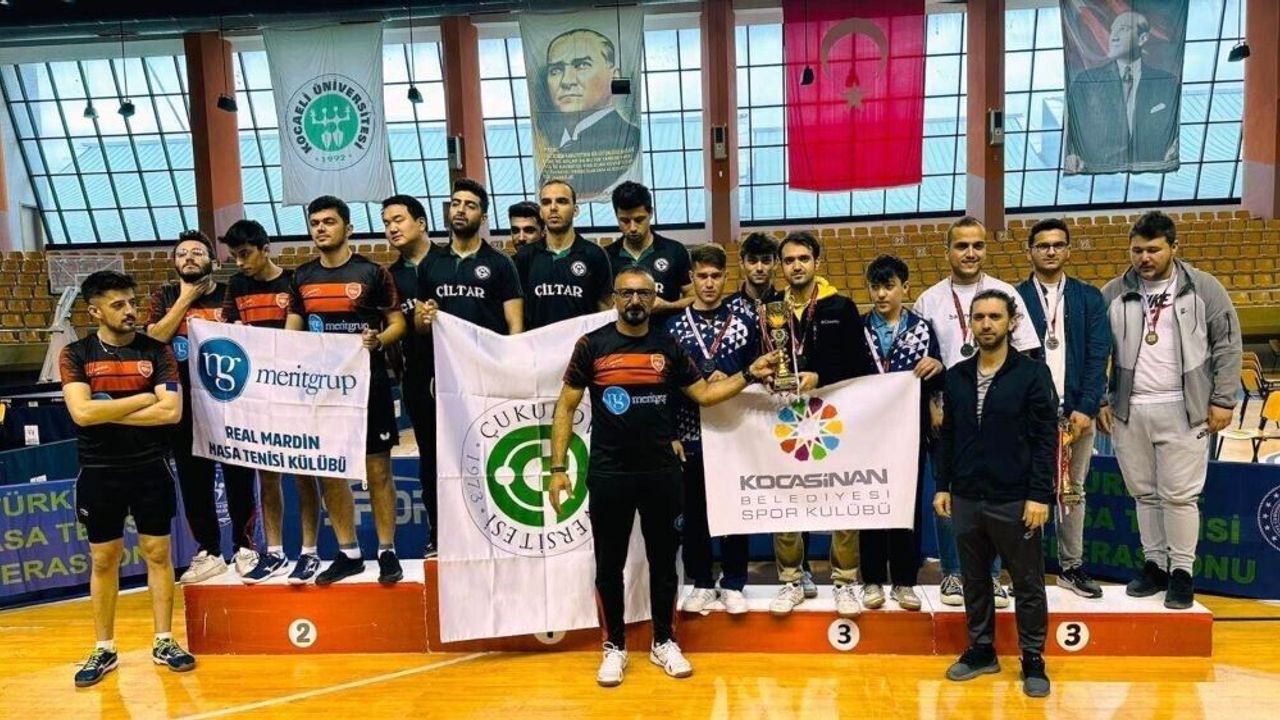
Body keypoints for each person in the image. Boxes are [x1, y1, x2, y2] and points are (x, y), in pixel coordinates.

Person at [546, 266, 780, 687]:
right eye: (626, 293)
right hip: (609, 473)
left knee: (664, 565)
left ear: (654, 299)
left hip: (662, 473)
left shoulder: (669, 346)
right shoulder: (591, 345)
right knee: (609, 566)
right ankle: (614, 646)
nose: (635, 300)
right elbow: (565, 406)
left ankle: (664, 641)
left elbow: (704, 394)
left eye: (643, 293)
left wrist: (749, 373)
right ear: (615, 298)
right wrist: (558, 468)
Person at [1098, 211, 1241, 609]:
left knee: (1180, 496)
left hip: (1185, 408)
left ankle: (1182, 573)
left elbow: (1228, 343)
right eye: (1137, 250)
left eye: (1153, 250)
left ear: (1175, 247)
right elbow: (1096, 352)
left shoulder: (1204, 287)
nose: (1144, 258)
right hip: (1130, 409)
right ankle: (1155, 566)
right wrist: (1099, 400)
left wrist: (1223, 398)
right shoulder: (1113, 292)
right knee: (1144, 494)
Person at [61, 270, 194, 687]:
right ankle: (104, 648)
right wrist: (142, 397)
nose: (130, 311)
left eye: (132, 302)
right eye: (118, 304)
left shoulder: (158, 351)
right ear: (95, 311)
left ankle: (164, 640)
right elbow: (82, 413)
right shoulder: (76, 353)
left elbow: (170, 412)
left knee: (158, 553)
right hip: (99, 471)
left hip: (151, 466)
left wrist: (108, 409)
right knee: (104, 559)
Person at [913, 216, 1041, 607]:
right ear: (947, 251)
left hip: (1000, 415)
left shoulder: (1006, 293)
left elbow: (1029, 354)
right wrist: (933, 404)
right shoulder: (929, 300)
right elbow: (923, 361)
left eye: (978, 245)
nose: (970, 253)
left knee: (996, 495)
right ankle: (953, 574)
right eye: (962, 246)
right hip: (949, 414)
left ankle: (992, 576)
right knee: (948, 493)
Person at [935, 289, 1057, 699]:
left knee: (1027, 582)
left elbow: (1045, 439)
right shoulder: (957, 375)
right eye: (979, 317)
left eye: (995, 317)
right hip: (967, 495)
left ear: (1012, 322)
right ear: (971, 323)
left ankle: (1033, 657)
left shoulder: (1032, 374)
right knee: (974, 579)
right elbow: (948, 436)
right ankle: (982, 649)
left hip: (1016, 498)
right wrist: (942, 485)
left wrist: (1040, 495)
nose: (986, 324)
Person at [286, 195, 406, 584]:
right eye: (315, 223)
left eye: (329, 222)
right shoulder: (301, 277)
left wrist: (379, 340)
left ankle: (387, 550)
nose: (320, 228)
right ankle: (349, 552)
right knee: (331, 470)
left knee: (378, 469)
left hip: (369, 385)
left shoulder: (373, 273)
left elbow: (397, 323)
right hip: (323, 391)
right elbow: (292, 332)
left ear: (348, 229)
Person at [767, 231, 875, 619]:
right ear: (781, 266)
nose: (796, 266)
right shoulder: (770, 309)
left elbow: (860, 365)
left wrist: (821, 376)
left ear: (817, 261)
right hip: (787, 419)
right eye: (789, 260)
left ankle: (845, 581)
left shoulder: (841, 307)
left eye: (803, 258)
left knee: (842, 499)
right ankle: (792, 579)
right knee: (787, 499)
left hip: (833, 420)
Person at [414, 179, 524, 552]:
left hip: (486, 379)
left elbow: (515, 326)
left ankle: (494, 532)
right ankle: (440, 535)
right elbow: (419, 324)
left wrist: (508, 371)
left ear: (483, 216)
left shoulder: (500, 264)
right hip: (444, 380)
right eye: (456, 203)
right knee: (440, 457)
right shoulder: (432, 264)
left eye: (470, 204)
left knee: (488, 454)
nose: (460, 209)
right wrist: (424, 317)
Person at [145, 230, 257, 584]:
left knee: (240, 480)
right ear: (174, 263)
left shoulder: (231, 293)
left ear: (214, 262)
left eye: (197, 252)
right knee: (195, 484)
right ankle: (209, 551)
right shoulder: (164, 297)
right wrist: (185, 300)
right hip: (184, 407)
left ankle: (245, 547)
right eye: (182, 254)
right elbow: (153, 339)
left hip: (230, 404)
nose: (189, 257)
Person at [219, 219, 324, 584]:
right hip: (258, 397)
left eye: (245, 254)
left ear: (266, 249)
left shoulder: (293, 282)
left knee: (304, 473)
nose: (240, 262)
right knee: (267, 477)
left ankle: (310, 552)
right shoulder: (236, 285)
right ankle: (275, 553)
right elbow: (229, 333)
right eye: (235, 256)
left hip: (296, 392)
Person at [1014, 218, 1111, 599]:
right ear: (1029, 252)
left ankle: (1071, 567)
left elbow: (1098, 356)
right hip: (1029, 416)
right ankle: (1028, 570)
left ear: (1068, 250)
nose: (1050, 251)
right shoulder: (1015, 297)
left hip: (1076, 414)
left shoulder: (1089, 298)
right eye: (1042, 245)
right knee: (1028, 490)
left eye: (1057, 244)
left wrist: (1087, 407)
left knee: (1073, 491)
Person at [665, 245, 759, 615]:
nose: (708, 283)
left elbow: (759, 376)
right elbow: (665, 385)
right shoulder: (673, 327)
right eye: (702, 276)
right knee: (695, 512)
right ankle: (702, 581)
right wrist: (671, 432)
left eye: (716, 276)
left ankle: (734, 582)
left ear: (726, 277)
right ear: (691, 278)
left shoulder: (744, 323)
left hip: (733, 431)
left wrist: (732, 378)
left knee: (735, 508)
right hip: (689, 431)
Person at [858, 255, 944, 612]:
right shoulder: (858, 328)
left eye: (889, 286)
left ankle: (905, 581)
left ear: (905, 288)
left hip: (910, 431)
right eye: (875, 287)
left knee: (906, 506)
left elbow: (937, 372)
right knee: (870, 504)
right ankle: (872, 579)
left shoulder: (923, 328)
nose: (881, 294)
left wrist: (937, 366)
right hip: (866, 433)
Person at [381, 195, 436, 557]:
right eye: (387, 223)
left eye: (398, 220)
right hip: (417, 379)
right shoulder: (389, 277)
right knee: (430, 457)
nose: (392, 228)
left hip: (462, 376)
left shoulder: (448, 263)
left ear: (421, 223)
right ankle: (438, 534)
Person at [1064, 11, 1179, 173]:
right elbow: (1071, 124)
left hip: (1151, 173)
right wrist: (1071, 155)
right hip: (1098, 174)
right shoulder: (1086, 83)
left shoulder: (1166, 83)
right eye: (1113, 30)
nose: (1114, 37)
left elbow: (1177, 127)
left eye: (1123, 29)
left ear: (1142, 38)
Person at [538, 28, 641, 197]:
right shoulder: (555, 152)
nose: (566, 81)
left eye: (582, 65)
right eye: (556, 70)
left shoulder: (630, 138)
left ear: (614, 76)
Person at [514, 179, 612, 329]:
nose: (553, 208)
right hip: (539, 342)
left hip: (583, 342)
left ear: (575, 210)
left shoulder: (595, 254)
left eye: (561, 201)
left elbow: (604, 307)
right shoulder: (525, 256)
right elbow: (517, 310)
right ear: (541, 212)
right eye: (546, 202)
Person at [603, 181, 693, 314]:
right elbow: (602, 303)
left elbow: (693, 297)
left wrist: (668, 306)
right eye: (625, 221)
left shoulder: (675, 251)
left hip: (666, 326)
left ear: (651, 213)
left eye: (639, 220)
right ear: (616, 216)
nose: (633, 228)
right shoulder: (605, 256)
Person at [725, 231, 783, 318]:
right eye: (752, 261)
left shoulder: (785, 306)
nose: (759, 268)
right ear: (742, 263)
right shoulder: (726, 308)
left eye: (765, 261)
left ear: (775, 263)